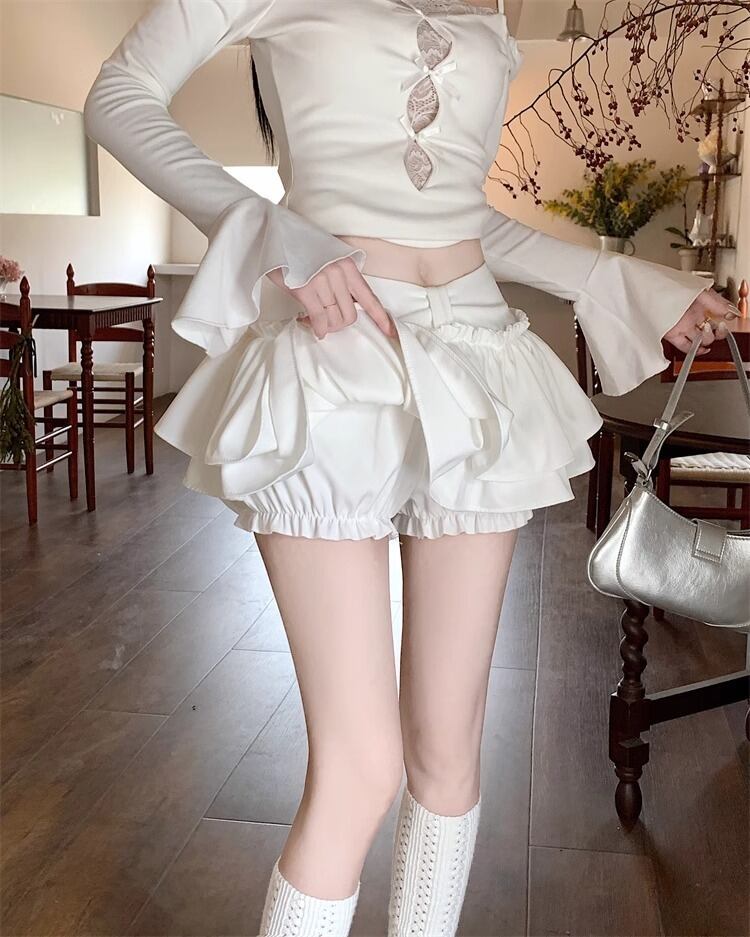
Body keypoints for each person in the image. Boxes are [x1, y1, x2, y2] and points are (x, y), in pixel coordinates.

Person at [82, 1, 738, 934]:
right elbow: (118, 94)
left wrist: (620, 279)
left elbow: (464, 219)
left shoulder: (489, 10)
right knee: (359, 769)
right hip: (333, 361)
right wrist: (269, 231)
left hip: (479, 364)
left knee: (448, 754)